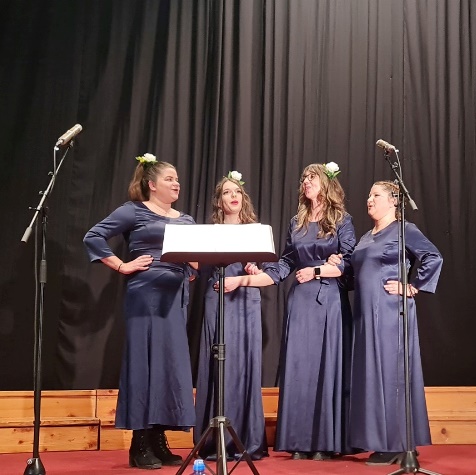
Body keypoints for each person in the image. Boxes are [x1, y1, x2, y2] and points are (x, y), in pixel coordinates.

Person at [221, 162, 355, 461]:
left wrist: (320, 270)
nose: (306, 181)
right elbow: (285, 263)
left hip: (329, 301)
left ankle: (324, 443)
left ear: (326, 183)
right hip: (301, 300)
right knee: (299, 369)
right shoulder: (297, 221)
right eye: (304, 177)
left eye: (312, 177)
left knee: (325, 367)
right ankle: (299, 441)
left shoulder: (341, 220)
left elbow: (349, 260)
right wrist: (251, 277)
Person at [83, 153, 197, 470]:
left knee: (168, 367)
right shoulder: (134, 211)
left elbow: (196, 257)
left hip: (174, 300)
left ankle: (159, 439)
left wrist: (191, 269)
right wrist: (122, 265)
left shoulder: (186, 220)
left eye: (177, 179)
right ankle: (140, 443)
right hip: (145, 297)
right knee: (144, 364)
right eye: (169, 179)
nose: (176, 183)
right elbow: (93, 236)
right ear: (151, 184)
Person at [341, 180, 443, 465]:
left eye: (376, 195)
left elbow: (432, 256)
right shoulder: (366, 237)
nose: (369, 199)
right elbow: (357, 273)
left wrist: (412, 286)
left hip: (389, 312)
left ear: (394, 201)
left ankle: (397, 442)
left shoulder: (403, 230)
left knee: (390, 373)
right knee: (372, 375)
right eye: (368, 195)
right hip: (365, 315)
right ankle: (380, 439)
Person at [193, 171, 268, 461]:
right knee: (219, 364)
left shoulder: (256, 230)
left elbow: (264, 271)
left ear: (243, 197)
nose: (233, 196)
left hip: (246, 299)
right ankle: (216, 441)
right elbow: (197, 264)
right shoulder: (211, 231)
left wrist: (254, 270)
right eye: (226, 192)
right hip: (219, 297)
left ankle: (246, 439)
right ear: (219, 201)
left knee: (244, 364)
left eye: (236, 191)